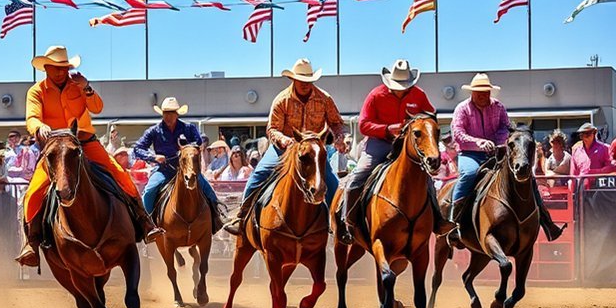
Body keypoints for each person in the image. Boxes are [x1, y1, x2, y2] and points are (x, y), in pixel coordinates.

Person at [16, 45, 161, 267]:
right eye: (55, 67)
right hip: (55, 147)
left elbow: (98, 107)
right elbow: (31, 118)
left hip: (85, 141)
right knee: (33, 191)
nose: (60, 71)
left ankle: (144, 222)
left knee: (120, 174)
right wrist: (39, 126)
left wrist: (87, 88)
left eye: (63, 67)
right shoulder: (36, 91)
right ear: (45, 68)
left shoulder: (78, 86)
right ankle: (31, 243)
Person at [338, 59, 454, 242]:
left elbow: (430, 116)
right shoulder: (376, 95)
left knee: (427, 180)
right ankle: (348, 222)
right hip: (380, 142)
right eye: (398, 85)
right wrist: (386, 129)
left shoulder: (419, 95)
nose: (402, 89)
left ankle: (437, 221)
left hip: (408, 146)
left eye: (405, 85)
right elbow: (363, 125)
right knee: (359, 175)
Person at [226, 58, 345, 234]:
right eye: (301, 81)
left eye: (308, 81)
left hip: (312, 151)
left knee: (332, 182)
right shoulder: (282, 100)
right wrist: (284, 140)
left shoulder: (324, 99)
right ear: (293, 80)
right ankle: (242, 217)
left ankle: (340, 223)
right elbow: (272, 129)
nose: (305, 85)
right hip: (283, 149)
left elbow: (336, 122)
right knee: (259, 174)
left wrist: (339, 136)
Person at [447, 73, 564, 246]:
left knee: (525, 178)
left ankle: (546, 221)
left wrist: (499, 142)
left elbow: (505, 128)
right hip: (470, 154)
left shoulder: (499, 108)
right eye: (479, 92)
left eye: (486, 92)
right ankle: (453, 224)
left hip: (496, 152)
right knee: (469, 174)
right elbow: (458, 134)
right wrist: (478, 142)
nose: (483, 95)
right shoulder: (462, 109)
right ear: (472, 93)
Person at [132, 96, 223, 233]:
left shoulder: (188, 128)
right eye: (165, 113)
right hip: (164, 170)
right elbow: (137, 148)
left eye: (171, 113)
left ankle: (216, 220)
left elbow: (198, 142)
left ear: (177, 114)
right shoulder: (154, 130)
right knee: (149, 191)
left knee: (208, 190)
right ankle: (147, 227)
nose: (168, 116)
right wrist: (153, 157)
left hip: (187, 169)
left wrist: (186, 150)